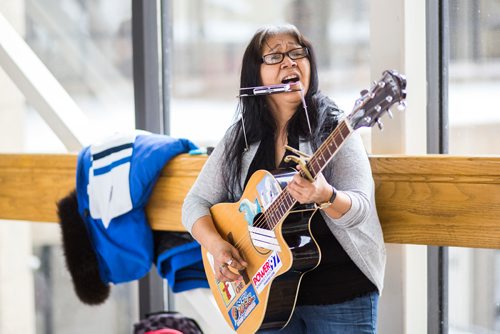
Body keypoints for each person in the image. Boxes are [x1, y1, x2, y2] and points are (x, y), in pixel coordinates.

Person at [182, 23, 386, 333]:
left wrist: (325, 195)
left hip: (341, 292)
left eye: (297, 53)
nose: (289, 62)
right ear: (255, 76)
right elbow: (194, 203)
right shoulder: (241, 137)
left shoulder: (336, 128)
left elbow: (360, 210)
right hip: (266, 297)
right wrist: (217, 246)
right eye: (275, 57)